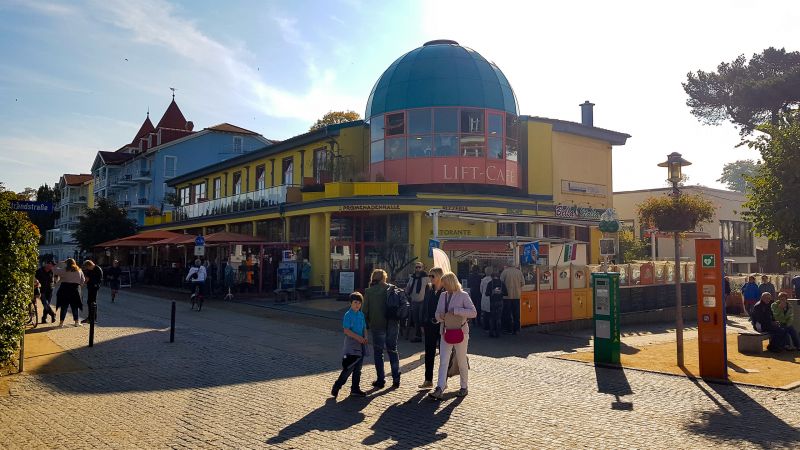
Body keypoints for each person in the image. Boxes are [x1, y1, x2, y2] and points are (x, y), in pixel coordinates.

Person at [429, 272, 477, 400]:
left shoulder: (463, 295)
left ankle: (464, 386)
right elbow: (437, 313)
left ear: (450, 283)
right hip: (445, 332)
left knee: (461, 360)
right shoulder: (443, 295)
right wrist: (440, 316)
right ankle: (440, 387)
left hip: (460, 332)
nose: (443, 286)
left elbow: (473, 312)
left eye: (444, 283)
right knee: (443, 361)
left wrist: (456, 311)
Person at [362, 269, 401, 388]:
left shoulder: (369, 291)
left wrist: (367, 324)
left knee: (379, 353)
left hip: (377, 325)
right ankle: (396, 379)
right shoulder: (393, 288)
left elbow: (364, 311)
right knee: (392, 351)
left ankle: (381, 380)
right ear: (384, 277)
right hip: (393, 324)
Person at [331, 292, 368, 398]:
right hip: (351, 344)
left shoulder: (361, 315)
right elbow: (346, 331)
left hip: (360, 344)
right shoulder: (348, 315)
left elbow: (364, 328)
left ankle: (355, 389)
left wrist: (365, 337)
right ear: (350, 303)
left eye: (359, 303)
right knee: (349, 368)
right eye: (355, 302)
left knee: (358, 369)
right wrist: (359, 338)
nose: (357, 305)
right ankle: (337, 385)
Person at [419, 267, 445, 389]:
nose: (430, 278)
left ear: (439, 277)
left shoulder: (446, 291)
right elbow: (425, 306)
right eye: (429, 276)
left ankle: (442, 381)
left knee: (444, 354)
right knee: (429, 353)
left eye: (432, 276)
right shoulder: (428, 288)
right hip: (429, 324)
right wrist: (422, 323)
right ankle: (428, 380)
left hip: (442, 325)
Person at [53, 258, 86, 327]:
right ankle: (76, 322)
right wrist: (78, 285)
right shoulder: (79, 270)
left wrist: (58, 263)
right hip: (75, 290)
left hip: (65, 289)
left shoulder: (64, 270)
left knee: (64, 307)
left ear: (66, 263)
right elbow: (83, 280)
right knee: (75, 306)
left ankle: (61, 323)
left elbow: (54, 271)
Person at [405, 262, 430, 343]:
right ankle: (418, 336)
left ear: (422, 268)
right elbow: (408, 287)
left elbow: (430, 287)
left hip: (423, 301)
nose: (418, 269)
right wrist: (406, 294)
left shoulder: (426, 278)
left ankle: (427, 336)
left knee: (422, 319)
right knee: (416, 320)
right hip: (414, 301)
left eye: (419, 267)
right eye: (416, 267)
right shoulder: (412, 277)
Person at [500, 263, 524, 335]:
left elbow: (501, 283)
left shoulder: (505, 272)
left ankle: (508, 329)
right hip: (517, 296)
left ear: (508, 264)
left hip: (507, 296)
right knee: (516, 314)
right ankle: (516, 329)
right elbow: (523, 283)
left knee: (507, 313)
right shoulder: (519, 272)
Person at [484, 271, 507, 338]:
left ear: (491, 277)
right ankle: (498, 333)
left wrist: (492, 292)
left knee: (492, 317)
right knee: (498, 317)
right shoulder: (502, 283)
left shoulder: (490, 283)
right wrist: (500, 292)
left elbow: (486, 294)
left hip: (492, 302)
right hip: (500, 302)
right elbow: (506, 293)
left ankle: (491, 332)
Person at [82, 260, 103, 324]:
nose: (87, 269)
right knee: (89, 302)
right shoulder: (89, 270)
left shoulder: (98, 269)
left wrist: (96, 284)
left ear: (90, 265)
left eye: (87, 267)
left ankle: (94, 318)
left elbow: (100, 279)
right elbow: (87, 279)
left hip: (95, 288)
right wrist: (83, 284)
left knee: (93, 302)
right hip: (90, 287)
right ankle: (89, 317)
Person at [479, 266, 493, 331]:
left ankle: (485, 327)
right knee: (491, 313)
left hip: (484, 297)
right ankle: (491, 326)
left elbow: (481, 290)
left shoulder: (483, 280)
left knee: (485, 313)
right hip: (491, 298)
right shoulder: (492, 280)